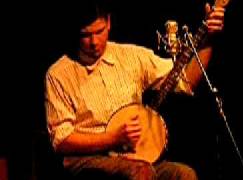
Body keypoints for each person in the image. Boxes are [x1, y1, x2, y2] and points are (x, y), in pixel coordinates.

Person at [44, 0, 225, 179]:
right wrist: (112, 138)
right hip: (87, 159)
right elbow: (61, 141)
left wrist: (209, 38)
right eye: (86, 34)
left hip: (134, 156)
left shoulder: (131, 56)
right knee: (140, 172)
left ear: (109, 22)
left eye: (99, 31)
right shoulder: (59, 74)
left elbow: (186, 80)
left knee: (183, 174)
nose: (94, 42)